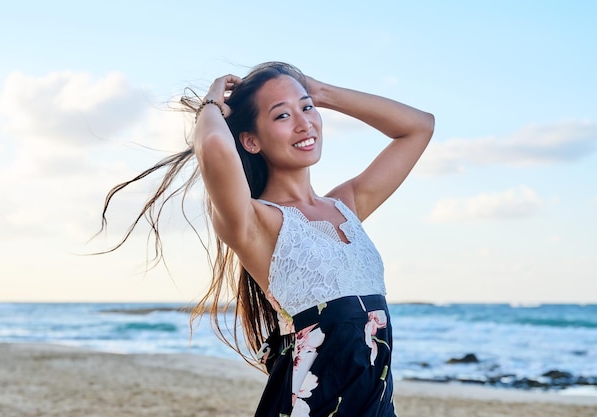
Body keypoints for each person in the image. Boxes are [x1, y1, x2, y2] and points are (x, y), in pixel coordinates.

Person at [99, 62, 434, 417]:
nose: (304, 123)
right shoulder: (254, 221)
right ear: (250, 140)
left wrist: (321, 93)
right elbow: (213, 143)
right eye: (282, 116)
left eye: (306, 108)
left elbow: (418, 128)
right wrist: (211, 104)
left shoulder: (348, 205)